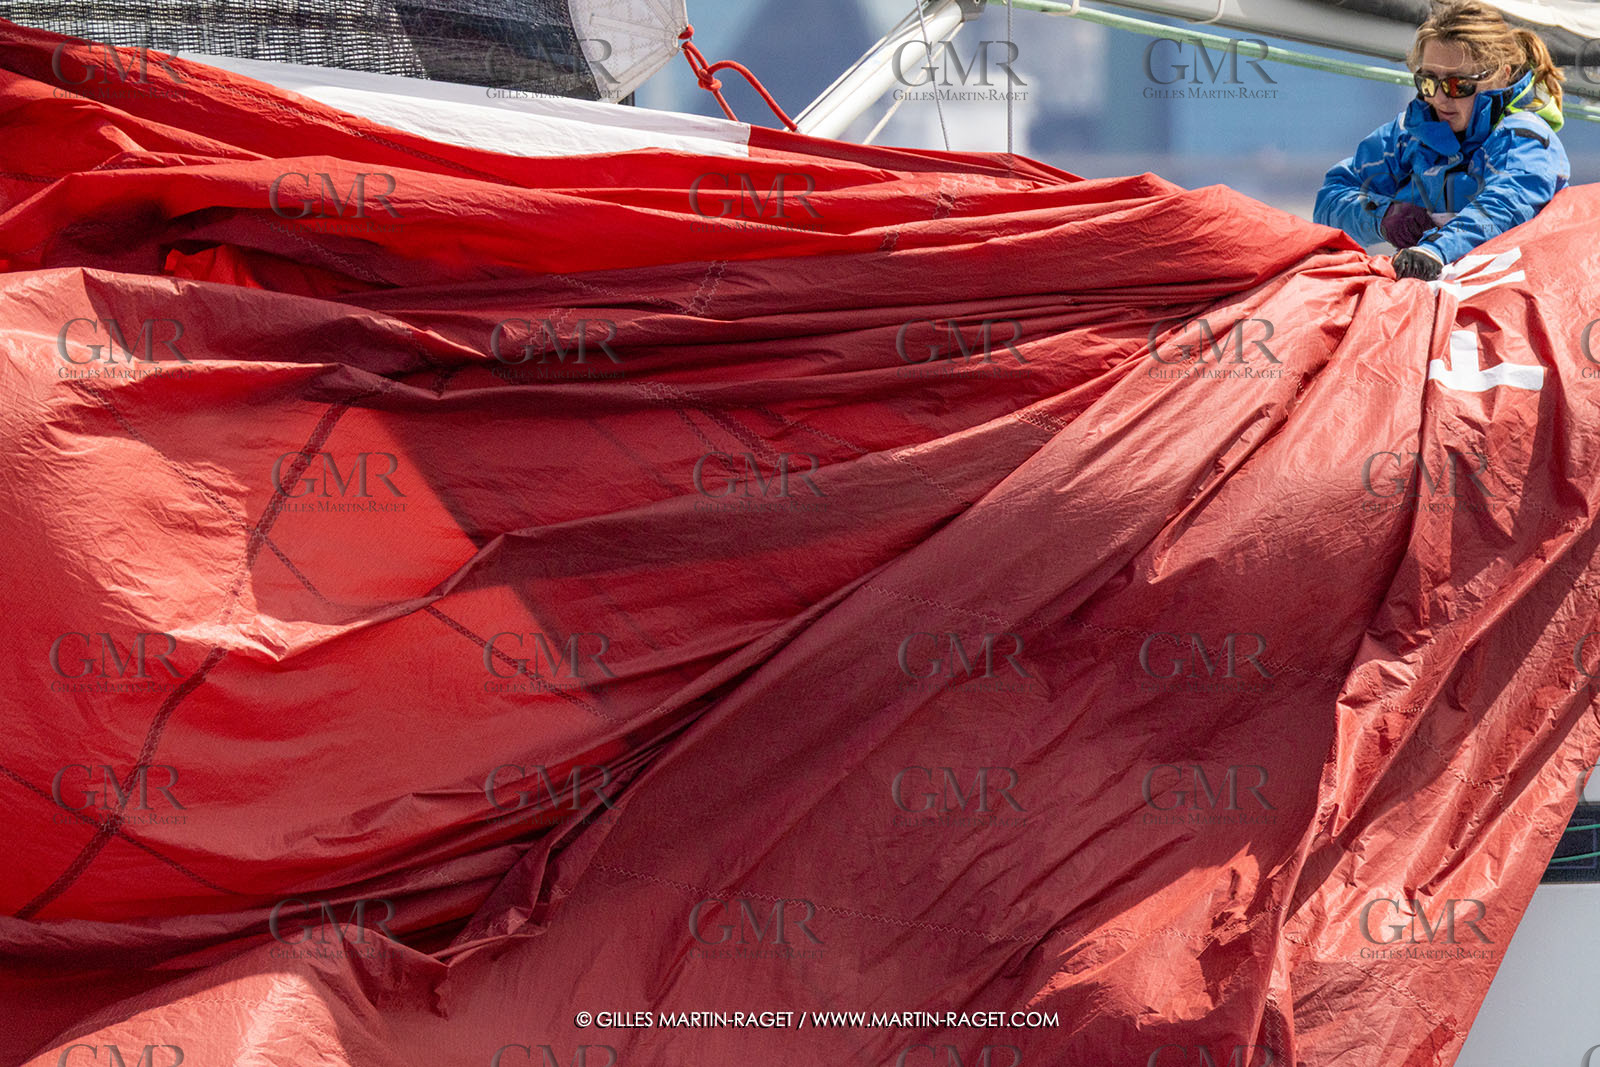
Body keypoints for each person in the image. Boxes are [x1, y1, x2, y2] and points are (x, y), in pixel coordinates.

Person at [1314, 0, 1569, 281]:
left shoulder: (1525, 138)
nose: (1439, 98)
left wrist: (1435, 252)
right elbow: (1330, 200)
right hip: (1430, 296)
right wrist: (1383, 216)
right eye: (1428, 82)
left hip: (1511, 295)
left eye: (1458, 85)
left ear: (1502, 74)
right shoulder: (1407, 135)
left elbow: (1506, 204)